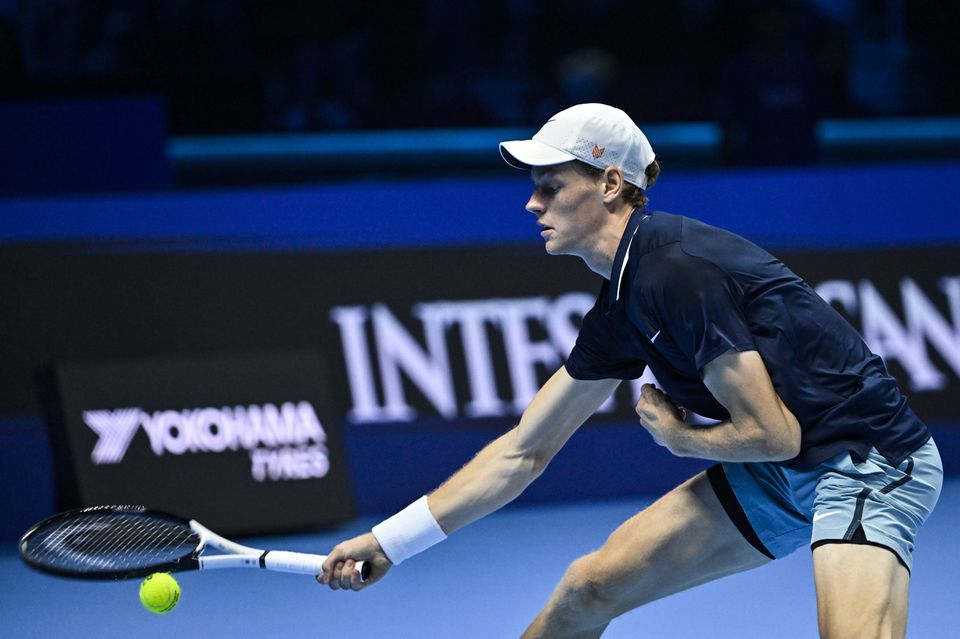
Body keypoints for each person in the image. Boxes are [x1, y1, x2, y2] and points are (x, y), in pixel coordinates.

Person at [318, 103, 942, 638]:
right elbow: (522, 453)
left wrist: (679, 438)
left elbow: (777, 434)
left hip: (866, 461)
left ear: (610, 183)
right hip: (780, 474)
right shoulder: (620, 302)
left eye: (552, 185)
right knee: (587, 590)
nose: (532, 202)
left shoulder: (675, 269)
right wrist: (390, 541)